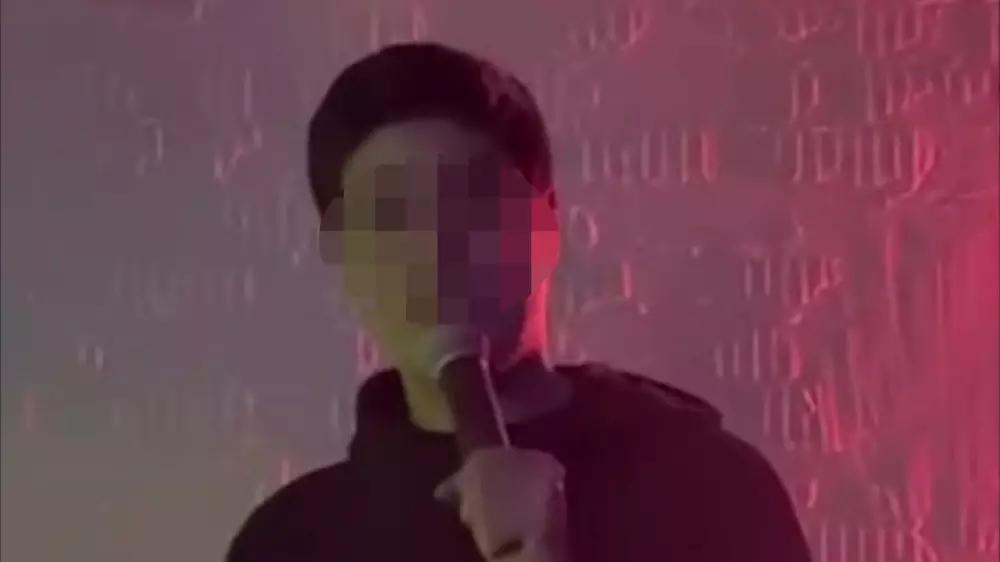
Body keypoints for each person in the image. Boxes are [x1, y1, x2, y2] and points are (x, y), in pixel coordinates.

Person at [225, 42, 814, 562]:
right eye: (389, 214)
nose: (435, 245)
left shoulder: (711, 490)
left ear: (548, 218)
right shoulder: (291, 542)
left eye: (472, 199)